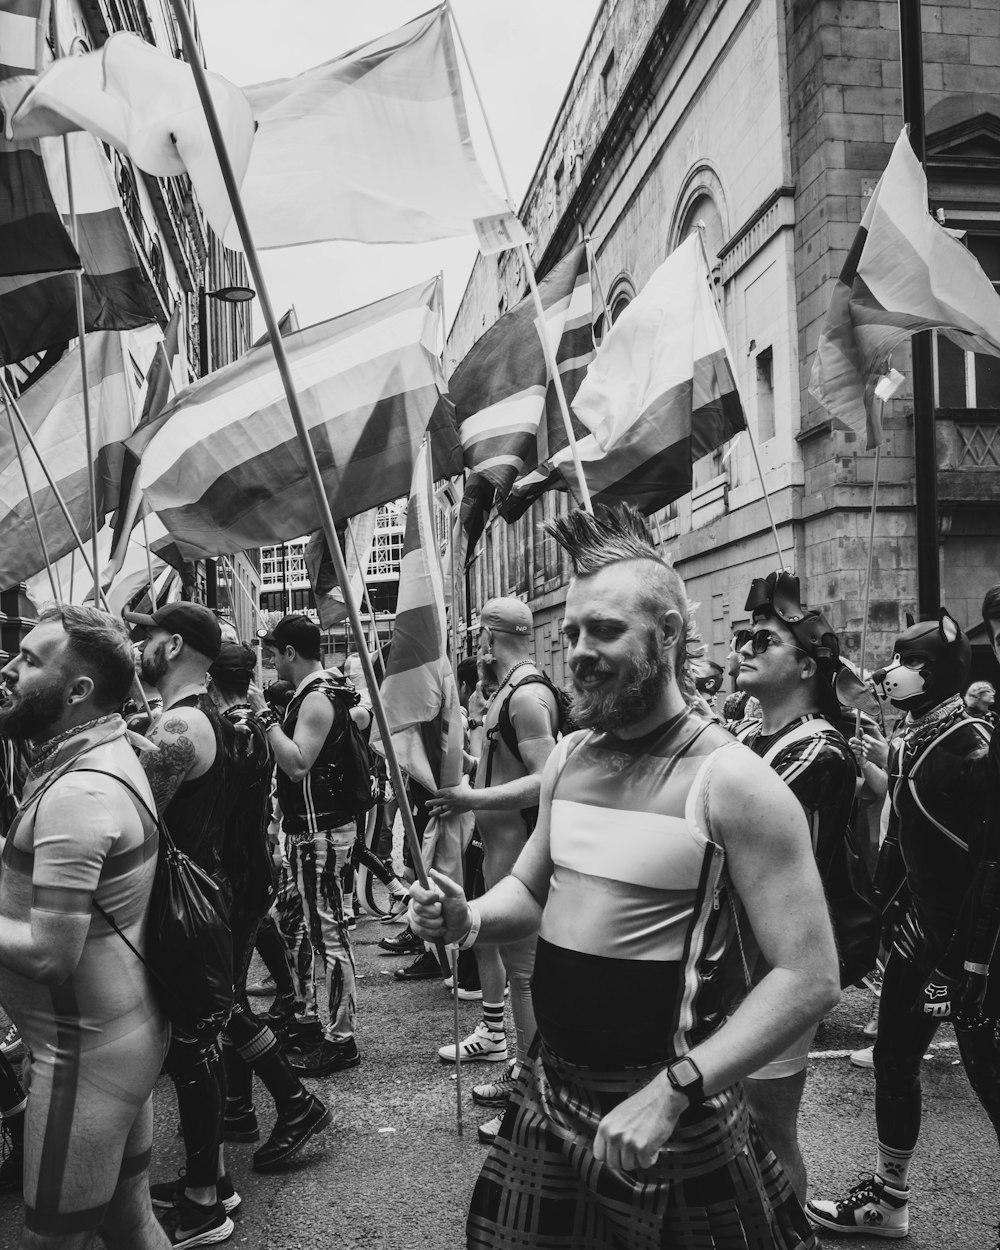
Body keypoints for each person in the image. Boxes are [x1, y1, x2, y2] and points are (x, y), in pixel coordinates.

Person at [411, 505, 839, 1250]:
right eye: (571, 632)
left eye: (604, 630)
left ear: (668, 634)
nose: (578, 650)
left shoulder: (733, 781)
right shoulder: (570, 760)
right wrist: (468, 919)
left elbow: (809, 975)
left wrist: (677, 1090)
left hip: (672, 1108)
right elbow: (533, 891)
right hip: (551, 1094)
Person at [807, 608, 993, 1240]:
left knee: (989, 1075)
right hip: (921, 930)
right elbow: (912, 826)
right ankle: (889, 1201)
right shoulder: (919, 735)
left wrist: (967, 959)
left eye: (906, 663)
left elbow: (988, 865)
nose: (891, 673)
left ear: (934, 673)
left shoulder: (975, 746)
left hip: (972, 945)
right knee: (892, 1059)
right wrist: (885, 911)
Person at [0, 604, 170, 1249]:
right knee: (128, 1222)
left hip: (82, 1056)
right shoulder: (100, 750)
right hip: (119, 1037)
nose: (10, 671)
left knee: (52, 1242)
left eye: (29, 660)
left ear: (78, 691)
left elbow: (48, 956)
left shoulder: (80, 791)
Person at [728, 571, 858, 1201]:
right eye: (746, 639)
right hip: (730, 949)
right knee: (725, 1120)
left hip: (780, 958)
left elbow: (727, 818)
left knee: (766, 1124)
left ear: (807, 667)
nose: (745, 649)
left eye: (764, 641)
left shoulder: (822, 750)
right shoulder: (751, 737)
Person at [125, 601, 243, 1244]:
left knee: (191, 1050)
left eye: (144, 638)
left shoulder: (180, 726)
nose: (138, 646)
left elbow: (134, 809)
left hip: (180, 906)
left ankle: (203, 1202)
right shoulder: (204, 716)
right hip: (203, 895)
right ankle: (215, 1180)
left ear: (170, 647)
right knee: (201, 1045)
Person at [428, 597, 560, 1144]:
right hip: (501, 852)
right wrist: (470, 774)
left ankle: (536, 1106)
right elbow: (507, 767)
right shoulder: (506, 689)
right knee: (515, 973)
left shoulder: (527, 695)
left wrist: (469, 794)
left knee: (527, 982)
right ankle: (525, 1076)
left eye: (475, 631)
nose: (471, 641)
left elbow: (549, 777)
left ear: (489, 636)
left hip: (523, 857)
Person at [207, 643, 332, 1168]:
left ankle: (294, 1103)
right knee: (229, 991)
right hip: (250, 867)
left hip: (234, 873)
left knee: (226, 1000)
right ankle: (238, 1106)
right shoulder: (255, 726)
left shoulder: (227, 729)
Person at [246, 614, 366, 1077]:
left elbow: (296, 765)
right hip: (307, 834)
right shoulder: (317, 693)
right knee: (291, 924)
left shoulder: (317, 698)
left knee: (329, 935)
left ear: (290, 652)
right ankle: (306, 1018)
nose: (268, 659)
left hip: (322, 835)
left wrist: (264, 715)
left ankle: (341, 1041)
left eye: (272, 651)